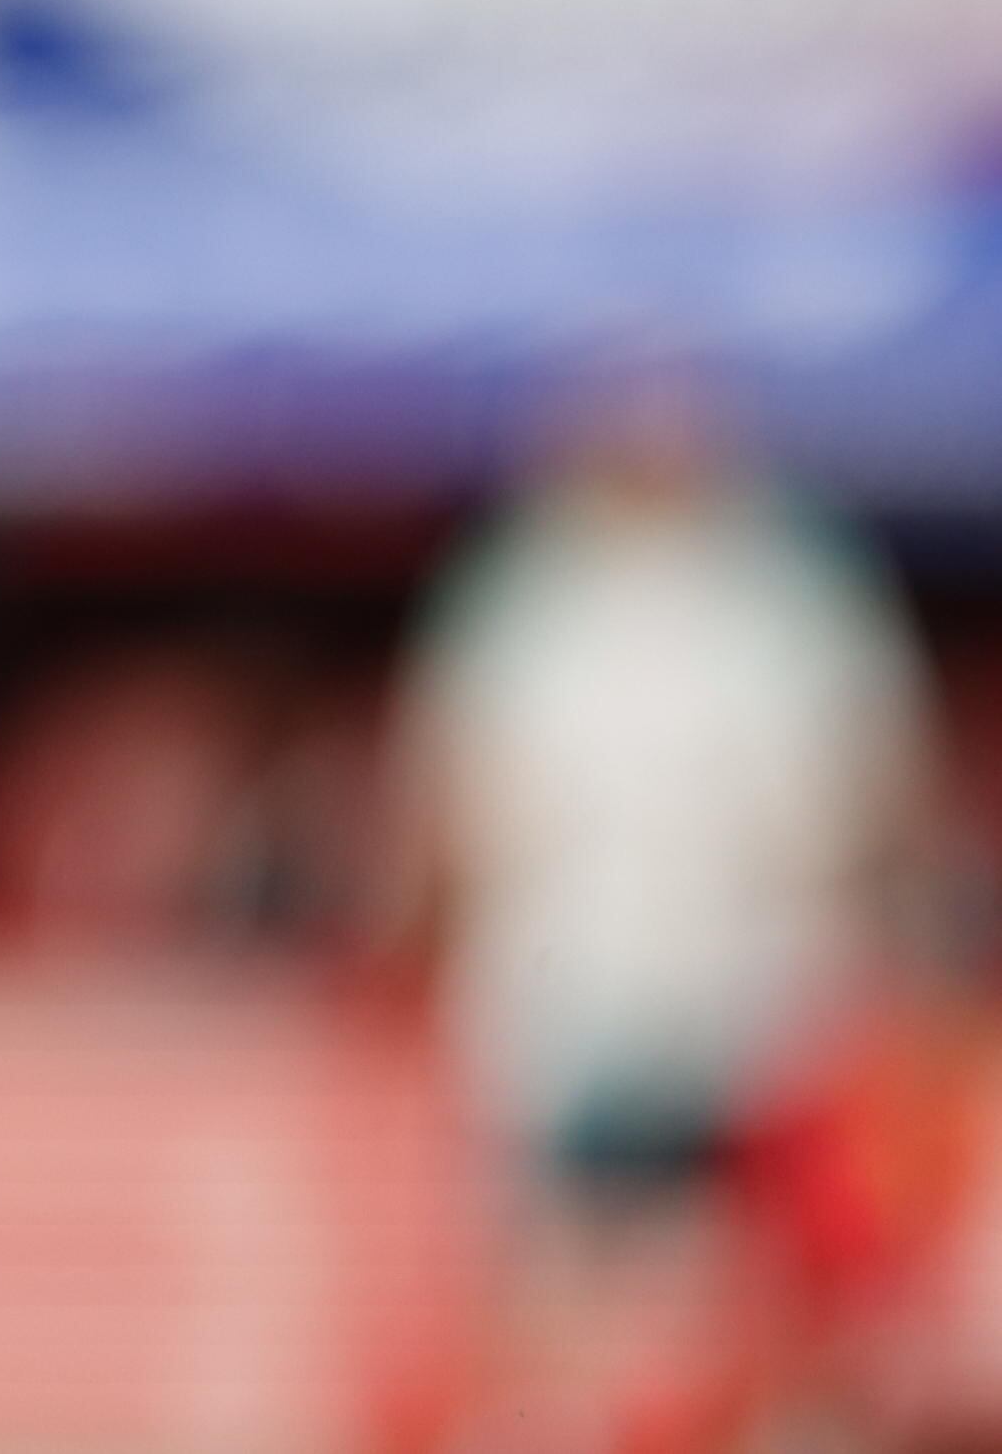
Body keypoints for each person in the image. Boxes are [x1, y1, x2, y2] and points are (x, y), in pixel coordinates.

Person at [392, 376, 945, 1448]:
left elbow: (875, 793)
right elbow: (446, 796)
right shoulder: (521, 599)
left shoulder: (789, 594)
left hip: (756, 980)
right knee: (553, 1261)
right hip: (567, 980)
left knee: (789, 1267)